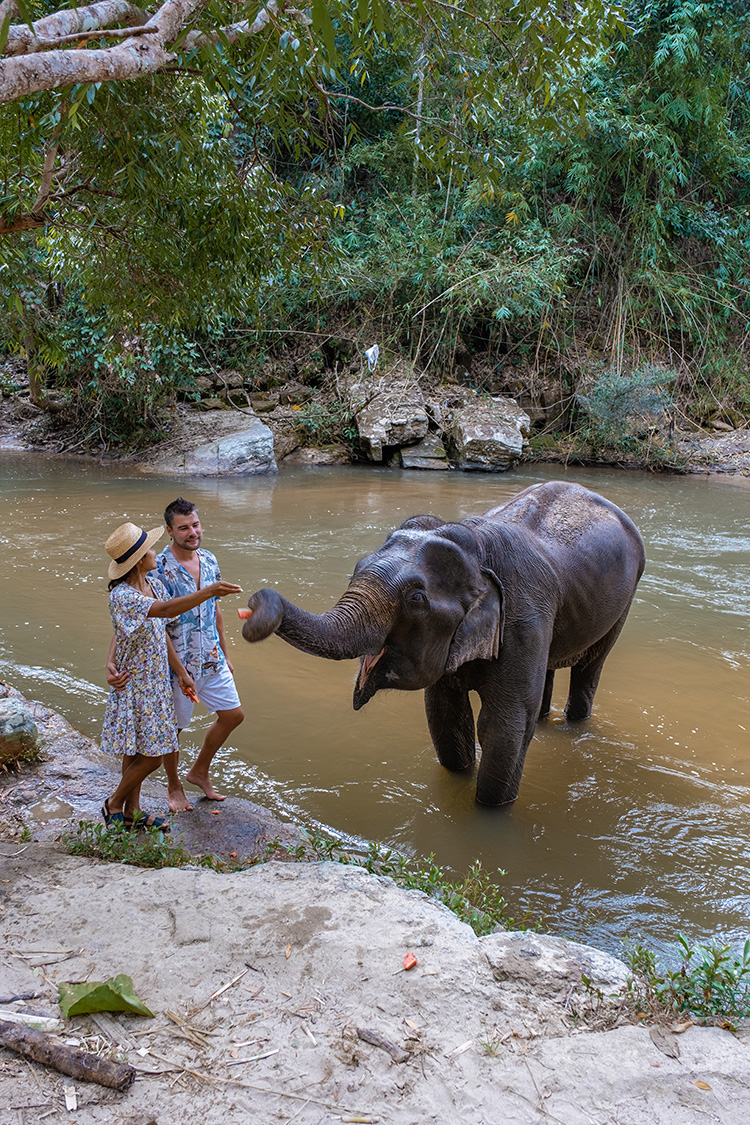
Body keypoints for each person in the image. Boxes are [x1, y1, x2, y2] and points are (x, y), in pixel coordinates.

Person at [100, 521, 242, 830]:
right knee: (151, 755)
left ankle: (131, 812)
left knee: (137, 748)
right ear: (138, 560)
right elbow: (163, 612)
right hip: (136, 679)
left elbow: (160, 628)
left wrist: (180, 672)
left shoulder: (153, 584)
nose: (154, 551)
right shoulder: (123, 596)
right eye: (148, 548)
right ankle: (114, 803)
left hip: (157, 677)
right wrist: (211, 591)